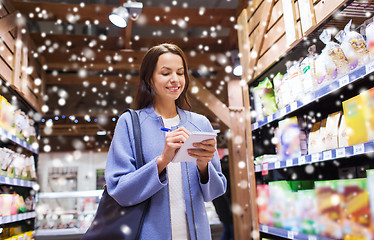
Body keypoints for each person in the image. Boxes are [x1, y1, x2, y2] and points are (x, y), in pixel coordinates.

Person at [105, 43, 227, 239]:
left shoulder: (200, 123)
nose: (175, 79)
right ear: (149, 79)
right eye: (165, 73)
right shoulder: (128, 123)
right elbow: (119, 189)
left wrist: (204, 166)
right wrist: (162, 161)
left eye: (180, 73)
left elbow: (215, 192)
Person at [212, 155, 234, 240]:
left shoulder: (218, 173)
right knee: (232, 233)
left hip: (221, 210)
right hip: (230, 211)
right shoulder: (230, 173)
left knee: (227, 231)